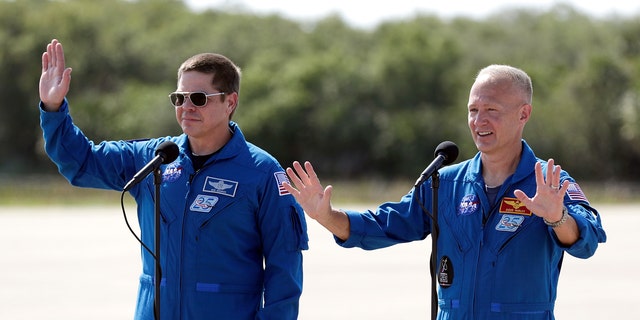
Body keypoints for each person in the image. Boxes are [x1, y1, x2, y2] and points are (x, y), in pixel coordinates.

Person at [284, 64, 606, 319]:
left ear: (524, 114)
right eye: (472, 110)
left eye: (492, 110)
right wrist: (327, 216)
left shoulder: (549, 183)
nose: (479, 120)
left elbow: (587, 239)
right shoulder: (444, 183)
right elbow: (384, 224)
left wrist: (556, 217)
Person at [38, 39, 308, 320]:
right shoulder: (152, 158)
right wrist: (53, 108)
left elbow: (284, 269)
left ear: (230, 102)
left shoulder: (262, 172)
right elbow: (81, 162)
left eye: (199, 98)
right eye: (180, 98)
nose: (187, 106)